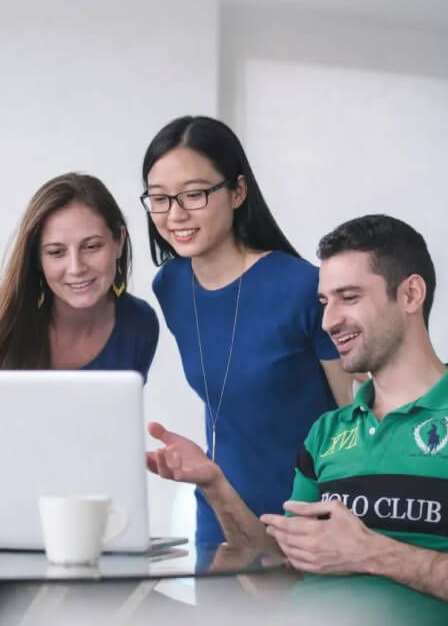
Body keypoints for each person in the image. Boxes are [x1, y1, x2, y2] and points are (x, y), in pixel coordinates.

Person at [148, 215, 448, 622]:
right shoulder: (326, 433)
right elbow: (283, 582)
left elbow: (361, 554)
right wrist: (214, 484)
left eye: (349, 297)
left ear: (411, 294)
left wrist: (371, 552)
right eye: (324, 302)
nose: (328, 321)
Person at [141, 115, 350, 545]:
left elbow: (355, 414)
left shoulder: (304, 287)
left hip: (309, 523)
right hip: (221, 519)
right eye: (159, 198)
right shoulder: (171, 285)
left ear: (238, 191)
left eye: (194, 194)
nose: (175, 215)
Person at [0, 172, 158, 379]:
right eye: (56, 252)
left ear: (119, 241)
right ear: (37, 258)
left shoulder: (139, 324)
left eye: (91, 246)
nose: (76, 268)